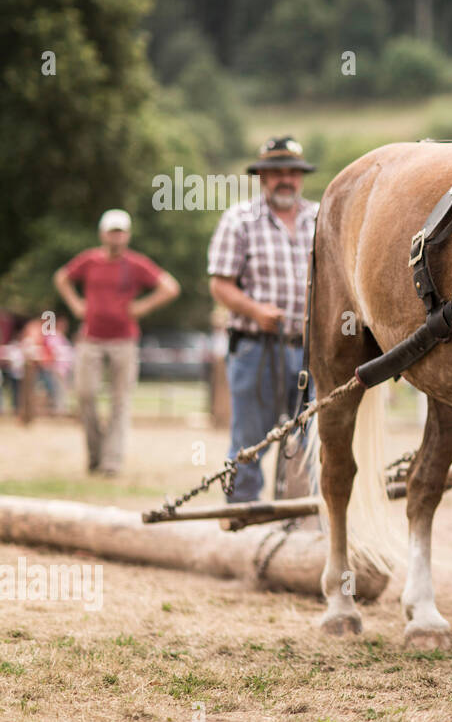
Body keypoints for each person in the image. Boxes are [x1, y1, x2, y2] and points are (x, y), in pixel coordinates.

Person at [208, 136, 318, 504]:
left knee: (314, 438)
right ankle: (242, 513)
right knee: (251, 440)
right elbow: (220, 285)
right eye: (276, 173)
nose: (285, 180)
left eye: (292, 172)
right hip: (257, 348)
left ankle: (306, 517)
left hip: (312, 351)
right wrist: (256, 310)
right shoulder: (238, 220)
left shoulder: (322, 217)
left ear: (301, 177)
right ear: (261, 178)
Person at [53, 209, 181, 475]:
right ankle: (96, 454)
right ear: (103, 234)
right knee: (85, 395)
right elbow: (62, 277)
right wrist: (76, 304)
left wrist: (142, 307)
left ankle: (112, 462)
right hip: (91, 339)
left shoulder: (136, 264)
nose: (116, 237)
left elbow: (170, 286)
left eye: (121, 231)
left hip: (124, 340)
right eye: (112, 231)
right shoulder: (89, 261)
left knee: (120, 401)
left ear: (128, 235)